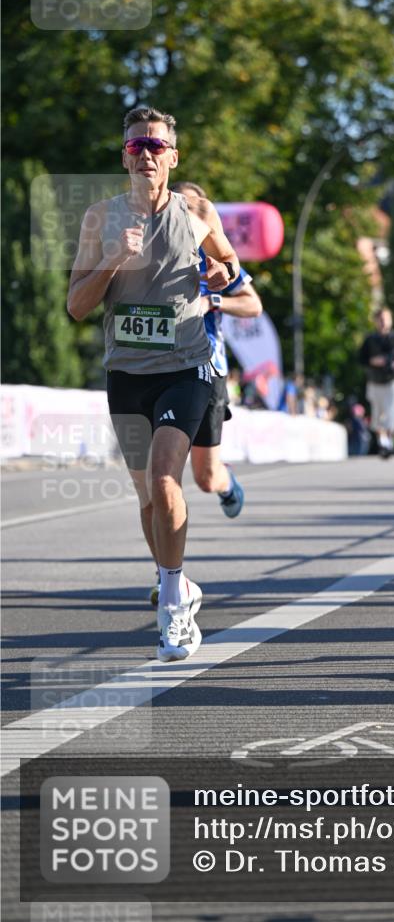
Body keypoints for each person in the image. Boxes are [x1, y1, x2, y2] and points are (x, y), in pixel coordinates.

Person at [67, 105, 240, 662]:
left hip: (185, 368)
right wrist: (114, 260)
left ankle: (172, 606)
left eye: (155, 145)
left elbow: (230, 265)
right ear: (124, 156)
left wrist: (221, 274)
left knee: (167, 481)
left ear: (173, 156)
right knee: (147, 497)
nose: (146, 153)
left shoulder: (196, 212)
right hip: (127, 375)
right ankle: (178, 582)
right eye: (136, 146)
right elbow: (75, 306)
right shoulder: (100, 218)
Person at [142, 181, 263, 606]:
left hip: (206, 368)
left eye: (193, 205)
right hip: (155, 370)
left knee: (205, 477)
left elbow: (253, 303)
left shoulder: (213, 251)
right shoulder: (155, 244)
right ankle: (167, 574)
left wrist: (217, 301)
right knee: (158, 481)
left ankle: (228, 484)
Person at [359, 307, 394, 458]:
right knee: (377, 413)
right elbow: (361, 359)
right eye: (381, 319)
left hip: (392, 381)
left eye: (386, 318)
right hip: (375, 381)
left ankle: (388, 443)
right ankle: (382, 441)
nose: (384, 322)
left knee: (392, 412)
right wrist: (374, 361)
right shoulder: (370, 339)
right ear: (376, 321)